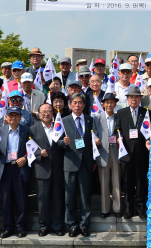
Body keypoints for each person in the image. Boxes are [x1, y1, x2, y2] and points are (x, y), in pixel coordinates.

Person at [0, 106, 33, 239]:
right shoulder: (0, 131)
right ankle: (8, 227)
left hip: (20, 167)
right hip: (5, 168)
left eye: (16, 116)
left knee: (21, 199)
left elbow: (33, 149)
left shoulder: (27, 130)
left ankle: (21, 227)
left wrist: (26, 159)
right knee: (6, 200)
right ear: (6, 117)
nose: (13, 118)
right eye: (11, 116)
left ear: (20, 117)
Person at [115, 86, 151, 219]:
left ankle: (141, 208)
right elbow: (117, 129)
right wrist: (118, 137)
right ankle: (129, 209)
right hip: (127, 153)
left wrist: (149, 140)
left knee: (142, 181)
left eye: (136, 97)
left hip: (142, 153)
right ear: (127, 99)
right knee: (128, 183)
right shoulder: (121, 113)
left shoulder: (147, 112)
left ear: (140, 99)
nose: (134, 99)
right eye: (131, 97)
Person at [62, 93, 97, 237]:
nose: (77, 105)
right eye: (74, 102)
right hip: (70, 162)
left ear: (84, 105)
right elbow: (56, 141)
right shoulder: (63, 121)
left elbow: (92, 141)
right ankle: (72, 225)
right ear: (70, 105)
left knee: (85, 196)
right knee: (69, 197)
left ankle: (84, 225)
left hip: (85, 162)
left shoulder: (90, 120)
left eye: (80, 103)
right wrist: (62, 142)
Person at [30, 103, 66, 236]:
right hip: (42, 169)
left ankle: (58, 226)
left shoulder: (60, 127)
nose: (46, 113)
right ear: (39, 114)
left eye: (48, 111)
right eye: (43, 111)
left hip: (57, 168)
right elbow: (29, 150)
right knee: (43, 200)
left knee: (57, 199)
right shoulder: (33, 129)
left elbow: (64, 146)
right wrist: (39, 154)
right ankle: (44, 226)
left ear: (53, 113)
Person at [93, 93, 123, 218]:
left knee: (116, 181)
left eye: (112, 102)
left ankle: (117, 208)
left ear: (115, 104)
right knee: (104, 182)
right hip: (103, 151)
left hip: (116, 151)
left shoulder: (118, 117)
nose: (109, 105)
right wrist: (95, 140)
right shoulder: (97, 118)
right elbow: (93, 132)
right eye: (107, 102)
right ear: (103, 105)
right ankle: (105, 209)